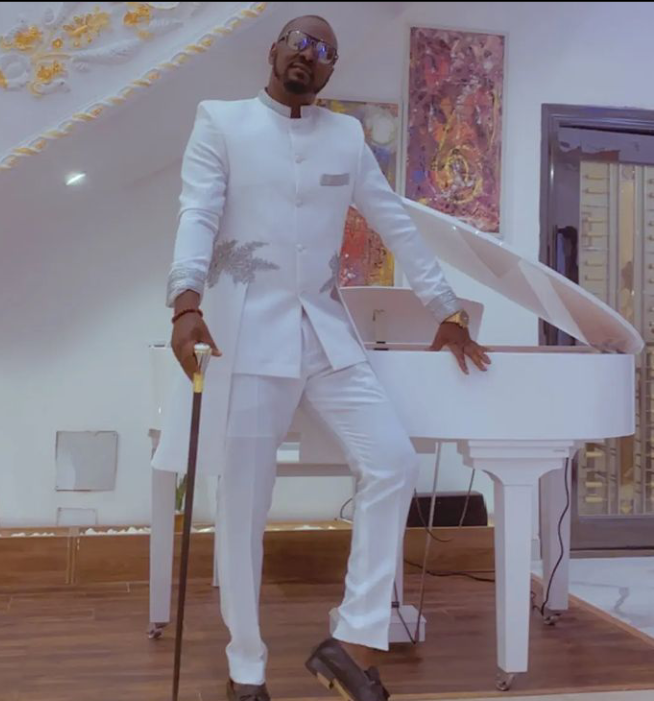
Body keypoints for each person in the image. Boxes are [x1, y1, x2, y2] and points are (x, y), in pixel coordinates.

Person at [155, 14, 490, 701]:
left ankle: (353, 637)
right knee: (243, 509)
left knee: (392, 462)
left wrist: (447, 309)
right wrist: (186, 303)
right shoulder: (220, 122)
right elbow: (198, 213)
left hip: (327, 334)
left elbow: (394, 221)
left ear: (332, 70)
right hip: (247, 337)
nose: (309, 56)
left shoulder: (346, 136)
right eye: (299, 43)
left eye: (325, 52)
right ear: (274, 49)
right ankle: (246, 667)